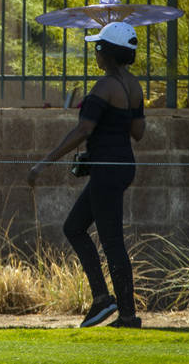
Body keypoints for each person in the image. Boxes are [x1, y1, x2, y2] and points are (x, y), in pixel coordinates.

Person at [27, 21, 144, 329]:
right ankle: (103, 300)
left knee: (112, 242)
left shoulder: (104, 87)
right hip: (121, 166)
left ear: (107, 52)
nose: (96, 53)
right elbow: (138, 132)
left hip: (107, 171)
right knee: (74, 227)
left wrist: (44, 163)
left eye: (98, 47)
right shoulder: (133, 87)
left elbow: (83, 129)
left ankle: (127, 315)